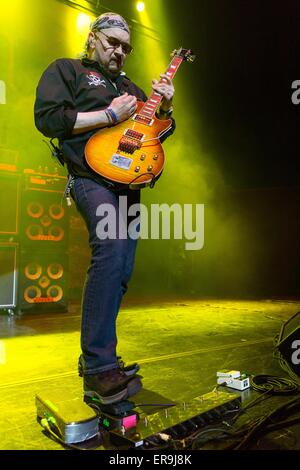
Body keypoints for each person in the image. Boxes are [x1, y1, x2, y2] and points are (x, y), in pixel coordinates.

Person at [34, 12, 175, 405]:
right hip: (90, 176)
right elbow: (48, 118)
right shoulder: (68, 70)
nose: (119, 51)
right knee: (110, 251)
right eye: (112, 42)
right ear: (93, 37)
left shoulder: (129, 85)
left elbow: (155, 130)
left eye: (126, 47)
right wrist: (108, 115)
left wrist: (163, 107)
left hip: (128, 182)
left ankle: (104, 359)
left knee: (122, 269)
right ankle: (98, 368)